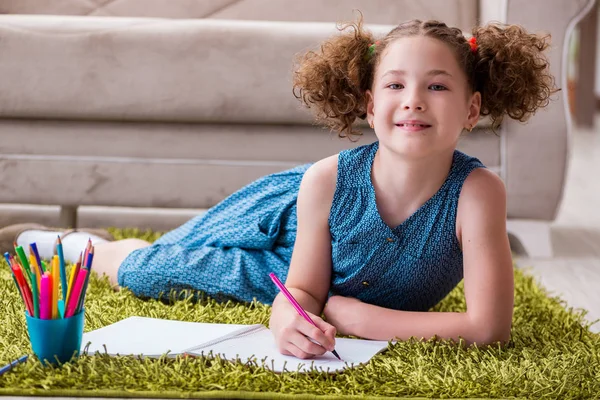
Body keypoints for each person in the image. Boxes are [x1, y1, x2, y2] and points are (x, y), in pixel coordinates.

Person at [0, 15, 557, 359]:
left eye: (437, 86)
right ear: (369, 104)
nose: (413, 99)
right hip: (285, 215)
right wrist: (305, 312)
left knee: (180, 275)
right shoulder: (327, 178)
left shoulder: (478, 192)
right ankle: (76, 246)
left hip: (283, 278)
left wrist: (341, 318)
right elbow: (308, 292)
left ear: (473, 109)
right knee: (153, 265)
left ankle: (108, 249)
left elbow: (490, 329)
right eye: (395, 84)